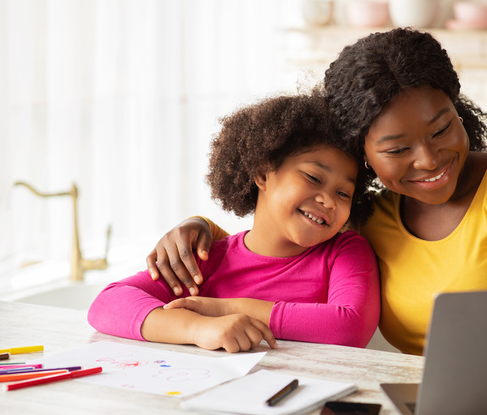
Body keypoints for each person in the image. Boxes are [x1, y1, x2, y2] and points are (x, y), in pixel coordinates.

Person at [146, 28, 487, 356]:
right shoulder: (370, 213)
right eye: (397, 149)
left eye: (443, 128)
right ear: (364, 155)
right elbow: (275, 242)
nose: (429, 159)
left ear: (458, 110)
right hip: (415, 407)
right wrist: (199, 226)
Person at [88, 93, 380, 353]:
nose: (329, 200)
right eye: (313, 178)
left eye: (344, 193)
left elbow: (349, 327)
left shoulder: (344, 252)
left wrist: (226, 308)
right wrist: (199, 328)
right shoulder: (206, 258)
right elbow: (107, 305)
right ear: (263, 173)